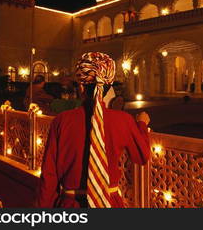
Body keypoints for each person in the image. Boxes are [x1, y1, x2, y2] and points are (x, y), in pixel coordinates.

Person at [36, 52, 150, 208]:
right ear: (108, 87)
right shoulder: (123, 120)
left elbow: (49, 175)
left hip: (71, 204)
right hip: (110, 203)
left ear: (81, 87)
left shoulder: (62, 121)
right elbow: (141, 156)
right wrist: (142, 125)